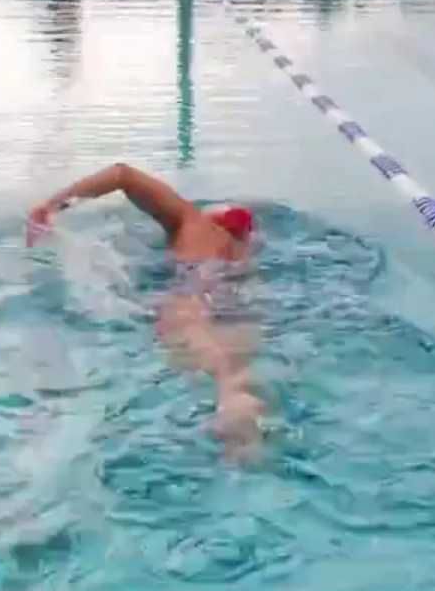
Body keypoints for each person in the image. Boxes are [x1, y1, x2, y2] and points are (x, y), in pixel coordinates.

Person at [27, 163, 262, 445]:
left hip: (188, 297)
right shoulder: (243, 259)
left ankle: (231, 401)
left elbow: (123, 174)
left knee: (214, 368)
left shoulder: (191, 220)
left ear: (212, 216)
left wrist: (52, 206)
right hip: (230, 308)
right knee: (234, 371)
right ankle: (243, 432)